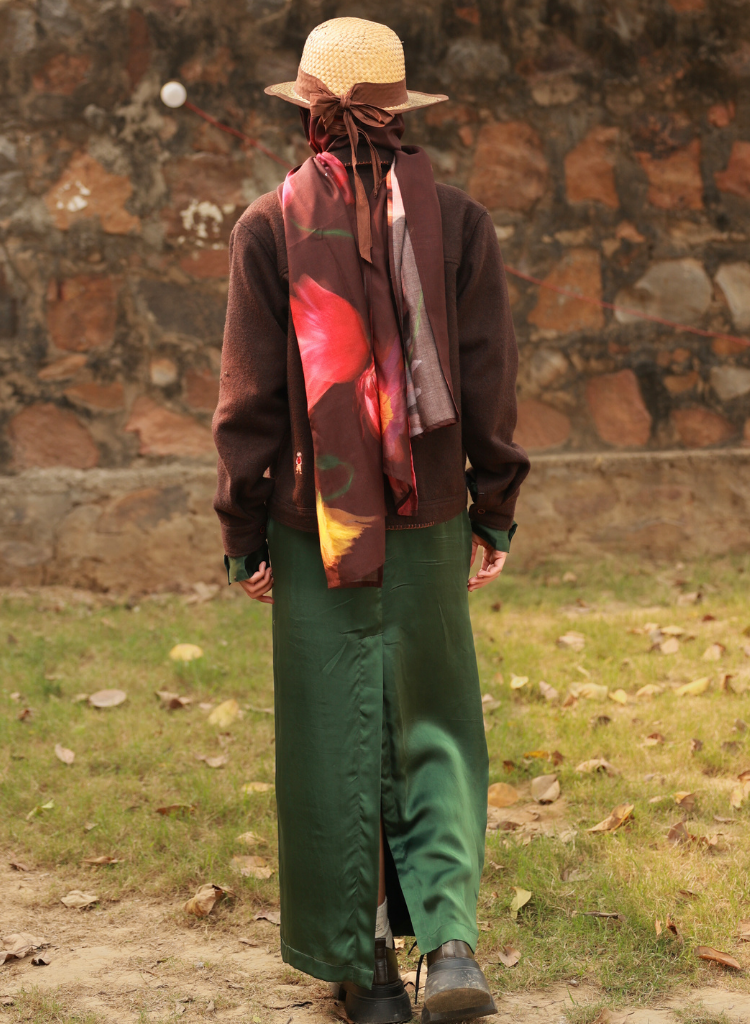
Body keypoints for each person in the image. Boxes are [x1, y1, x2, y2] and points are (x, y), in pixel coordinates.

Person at [212, 17, 529, 1024]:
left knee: (333, 735)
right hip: (432, 513)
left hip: (319, 526)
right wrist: (494, 507)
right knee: (436, 724)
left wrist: (243, 534)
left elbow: (251, 405)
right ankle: (452, 947)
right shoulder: (460, 223)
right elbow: (488, 380)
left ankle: (368, 973)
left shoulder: (267, 227)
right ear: (399, 114)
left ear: (308, 114)